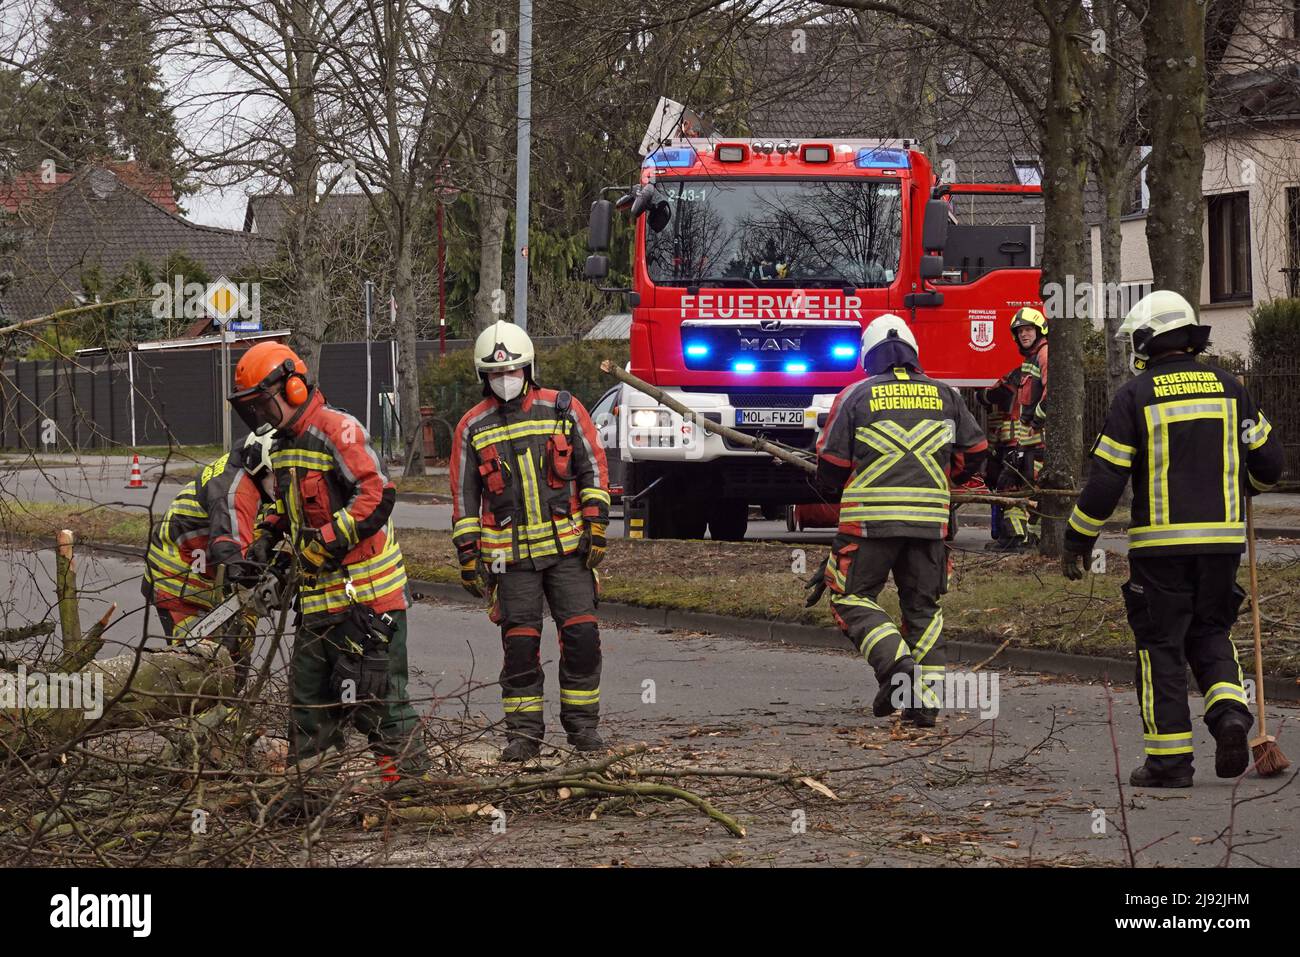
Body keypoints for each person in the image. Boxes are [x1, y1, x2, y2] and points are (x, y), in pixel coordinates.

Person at [1062, 291, 1283, 788]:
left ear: (1147, 339)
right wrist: (1242, 487)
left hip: (1160, 549)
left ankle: (1169, 762)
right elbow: (1271, 464)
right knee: (1210, 632)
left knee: (1161, 645)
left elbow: (1105, 481)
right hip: (1222, 544)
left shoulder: (1135, 396)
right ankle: (1230, 714)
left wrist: (1077, 537)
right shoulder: (1231, 388)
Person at [228, 341, 425, 778]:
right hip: (317, 605)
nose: (261, 415)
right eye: (253, 408)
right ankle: (310, 797)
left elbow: (376, 495)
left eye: (264, 403)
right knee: (309, 710)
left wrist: (326, 540)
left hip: (367, 604)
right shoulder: (282, 447)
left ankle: (408, 792)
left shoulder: (339, 430)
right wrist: (267, 536)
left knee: (380, 705)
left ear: (293, 387)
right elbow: (290, 505)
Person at [811, 313, 988, 726]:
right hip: (930, 525)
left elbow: (832, 468)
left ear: (868, 356)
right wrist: (948, 477)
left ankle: (896, 667)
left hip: (870, 523)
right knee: (923, 607)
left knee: (851, 597)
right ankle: (922, 703)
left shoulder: (854, 396)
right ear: (913, 354)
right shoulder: (946, 395)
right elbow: (976, 453)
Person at [450, 320, 610, 762]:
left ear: (529, 368)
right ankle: (524, 736)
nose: (505, 380)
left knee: (581, 637)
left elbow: (593, 469)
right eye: (496, 374)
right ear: (483, 377)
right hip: (511, 561)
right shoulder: (472, 427)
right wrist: (468, 555)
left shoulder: (563, 408)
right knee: (520, 646)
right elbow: (464, 498)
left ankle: (582, 730)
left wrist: (596, 524)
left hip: (569, 552)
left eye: (514, 371)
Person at [142, 426, 277, 655]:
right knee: (198, 662)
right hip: (177, 582)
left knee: (234, 651)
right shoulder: (236, 491)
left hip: (206, 572)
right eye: (279, 475)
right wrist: (251, 583)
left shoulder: (250, 475)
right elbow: (229, 550)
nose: (283, 484)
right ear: (261, 465)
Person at [985, 307, 1049, 551]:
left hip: (1038, 441)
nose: (1024, 335)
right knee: (1023, 489)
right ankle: (1025, 536)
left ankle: (1015, 538)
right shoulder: (1030, 359)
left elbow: (1049, 392)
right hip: (1030, 442)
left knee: (1011, 487)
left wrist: (1036, 421)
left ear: (1039, 330)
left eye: (1028, 330)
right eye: (1020, 331)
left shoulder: (1044, 354)